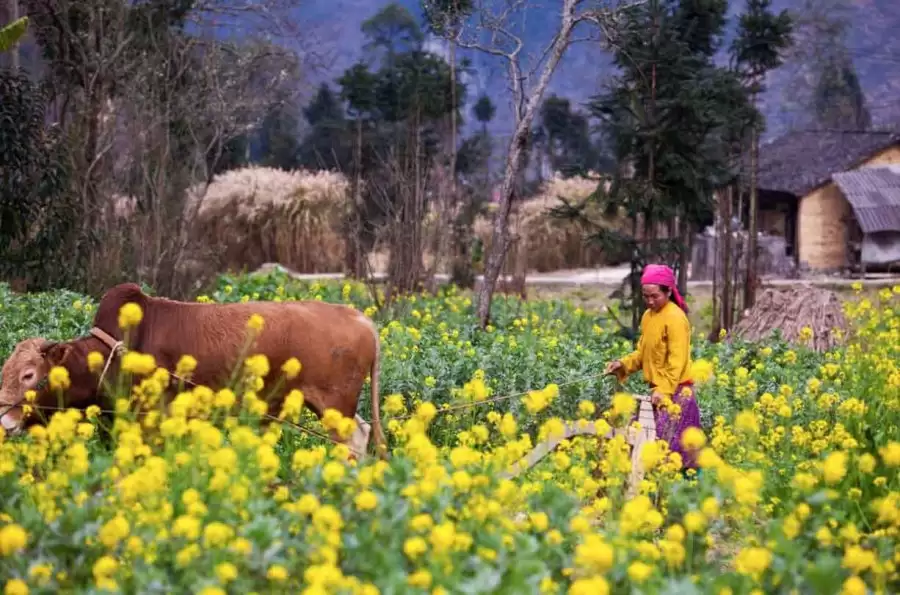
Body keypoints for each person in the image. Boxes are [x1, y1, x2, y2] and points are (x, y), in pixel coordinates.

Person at [604, 263, 702, 476]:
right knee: (661, 450)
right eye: (646, 296)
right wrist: (623, 364)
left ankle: (690, 496)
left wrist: (664, 390)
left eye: (655, 296)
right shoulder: (648, 316)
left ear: (668, 291)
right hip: (660, 394)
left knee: (678, 454)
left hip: (677, 394)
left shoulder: (676, 318)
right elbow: (643, 353)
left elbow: (677, 361)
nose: (649, 301)